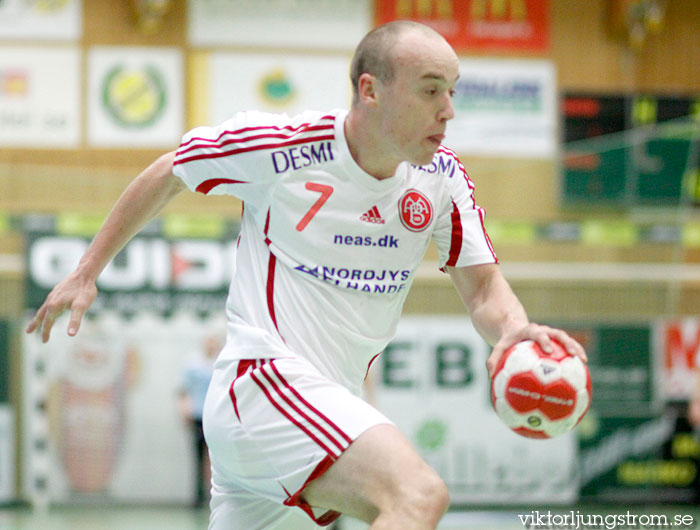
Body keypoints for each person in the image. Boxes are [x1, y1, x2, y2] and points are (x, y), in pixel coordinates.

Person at [26, 20, 586, 530]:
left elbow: (483, 286)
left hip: (317, 412)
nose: (448, 110)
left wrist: (513, 329)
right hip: (265, 384)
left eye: (453, 91)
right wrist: (86, 271)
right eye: (430, 89)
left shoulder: (440, 180)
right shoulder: (284, 148)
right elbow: (173, 169)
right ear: (371, 90)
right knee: (417, 496)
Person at [178, 334, 221, 508]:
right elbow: (182, 389)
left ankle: (216, 494)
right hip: (198, 415)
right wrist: (184, 409)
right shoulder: (193, 363)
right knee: (198, 458)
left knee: (218, 459)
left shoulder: (221, 363)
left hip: (217, 417)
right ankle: (198, 496)